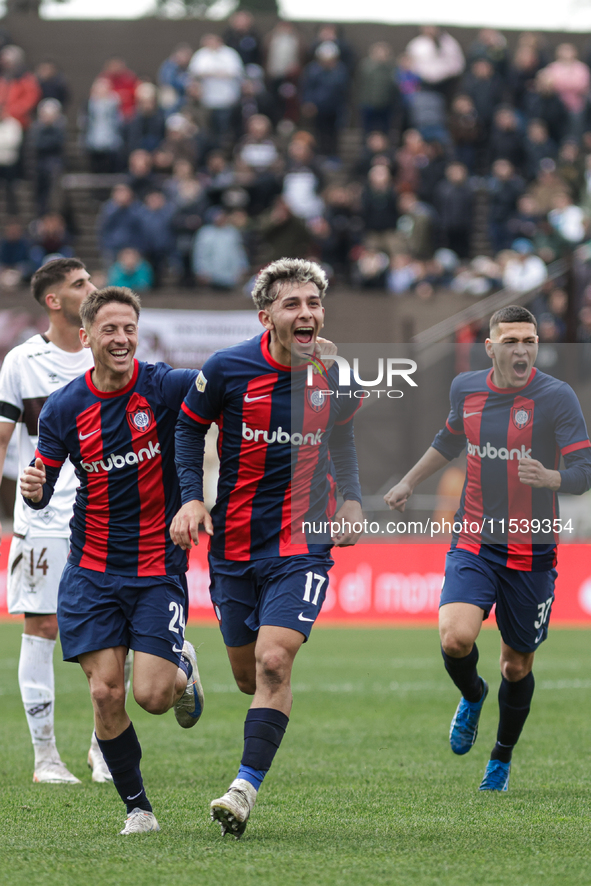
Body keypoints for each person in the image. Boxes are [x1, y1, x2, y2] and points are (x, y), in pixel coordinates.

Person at [171, 257, 364, 838]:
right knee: (249, 678)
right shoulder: (229, 369)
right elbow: (187, 429)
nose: (306, 314)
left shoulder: (337, 375)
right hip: (233, 543)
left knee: (274, 663)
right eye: (292, 304)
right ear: (267, 316)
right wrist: (191, 498)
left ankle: (243, 789)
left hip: (304, 543)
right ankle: (189, 671)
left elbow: (343, 435)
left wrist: (352, 498)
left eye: (313, 303)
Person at [20, 285, 205, 835]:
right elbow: (43, 483)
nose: (121, 339)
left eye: (129, 329)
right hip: (92, 571)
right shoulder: (64, 407)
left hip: (156, 569)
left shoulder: (164, 386)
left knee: (150, 696)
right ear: (86, 337)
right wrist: (32, 487)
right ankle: (139, 810)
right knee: (105, 692)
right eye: (110, 330)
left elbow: (222, 381)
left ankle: (182, 669)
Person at [384, 304, 591, 791]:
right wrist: (409, 481)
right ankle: (473, 695)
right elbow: (450, 439)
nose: (522, 350)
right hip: (475, 539)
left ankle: (501, 756)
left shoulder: (557, 398)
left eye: (530, 341)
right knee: (455, 637)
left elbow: (584, 471)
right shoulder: (467, 388)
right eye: (512, 341)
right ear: (491, 347)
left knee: (516, 665)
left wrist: (553, 476)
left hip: (532, 551)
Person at [0, 257, 114, 784]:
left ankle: (103, 745)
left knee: (118, 631)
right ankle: (46, 758)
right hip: (42, 519)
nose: (92, 288)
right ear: (53, 300)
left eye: (89, 280)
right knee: (42, 627)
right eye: (80, 284)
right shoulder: (22, 362)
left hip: (108, 517)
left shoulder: (110, 354)